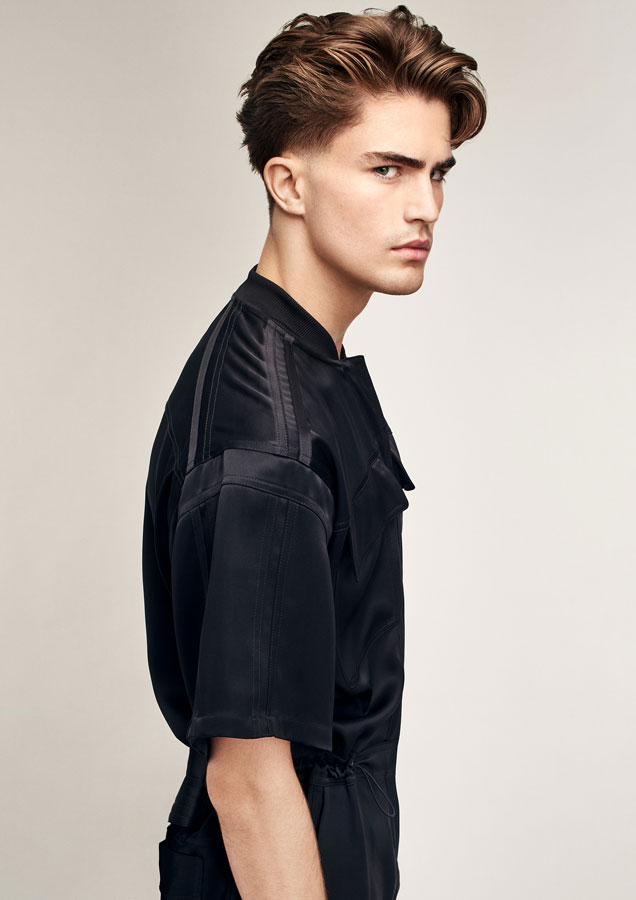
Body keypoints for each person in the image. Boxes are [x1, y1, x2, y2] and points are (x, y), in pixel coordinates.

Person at [142, 5, 487, 898]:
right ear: (288, 184)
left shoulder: (301, 361)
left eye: (438, 172)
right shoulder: (270, 428)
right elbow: (250, 781)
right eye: (387, 169)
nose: (425, 206)